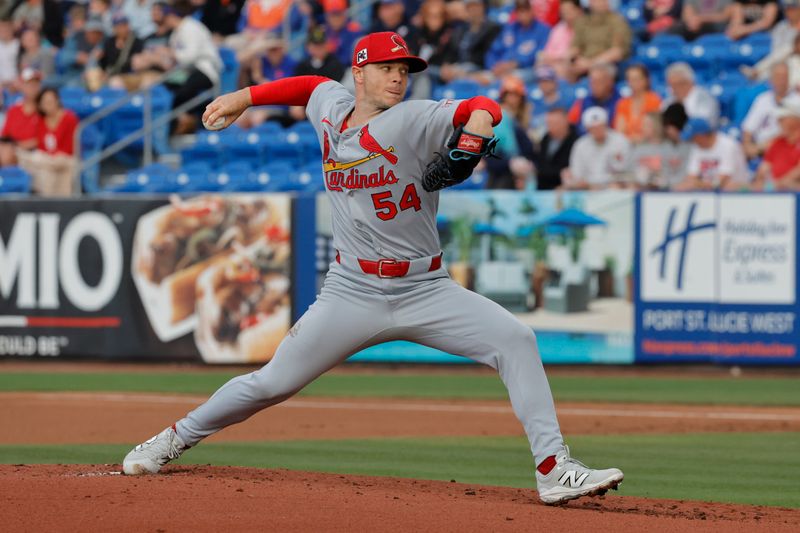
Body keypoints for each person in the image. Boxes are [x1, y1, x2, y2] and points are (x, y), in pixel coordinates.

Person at [122, 30, 625, 507]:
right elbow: (309, 86)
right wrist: (243, 97)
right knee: (271, 383)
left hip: (427, 288)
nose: (398, 79)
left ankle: (553, 469)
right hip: (352, 290)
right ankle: (172, 439)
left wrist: (473, 135)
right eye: (386, 68)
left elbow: (482, 107)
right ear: (358, 74)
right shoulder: (332, 108)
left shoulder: (412, 119)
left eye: (403, 70)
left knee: (516, 340)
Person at [162, 0, 223, 133]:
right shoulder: (175, 34)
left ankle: (186, 121)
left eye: (166, 17)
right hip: (188, 71)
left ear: (172, 16)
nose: (165, 21)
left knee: (183, 93)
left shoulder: (190, 26)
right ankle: (182, 121)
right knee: (166, 87)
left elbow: (190, 57)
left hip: (206, 69)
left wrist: (172, 54)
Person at [16, 87, 79, 196]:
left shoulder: (69, 118)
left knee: (51, 164)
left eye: (50, 101)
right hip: (46, 159)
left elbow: (70, 146)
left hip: (64, 158)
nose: (48, 105)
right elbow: (41, 144)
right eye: (44, 102)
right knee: (44, 170)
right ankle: (48, 202)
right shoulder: (40, 120)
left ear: (57, 101)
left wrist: (52, 157)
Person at [485, 75, 536, 189]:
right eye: (509, 95)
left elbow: (529, 149)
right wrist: (512, 163)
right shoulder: (500, 117)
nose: (513, 99)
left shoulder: (522, 118)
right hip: (501, 171)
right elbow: (495, 150)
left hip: (519, 171)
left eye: (516, 95)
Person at [563, 106, 632, 189]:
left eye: (600, 126)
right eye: (593, 128)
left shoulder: (620, 141)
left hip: (614, 187)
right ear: (587, 129)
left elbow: (623, 169)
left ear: (606, 125)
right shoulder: (580, 145)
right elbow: (577, 172)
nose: (597, 130)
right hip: (587, 188)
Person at [674, 117, 750, 190]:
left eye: (693, 137)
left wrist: (698, 184)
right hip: (709, 190)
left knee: (729, 186)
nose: (692, 141)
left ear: (701, 136)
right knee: (681, 186)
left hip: (736, 190)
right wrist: (694, 184)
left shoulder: (728, 145)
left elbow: (722, 180)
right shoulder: (697, 147)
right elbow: (691, 176)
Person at [741, 62, 798, 160]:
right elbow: (748, 129)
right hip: (760, 150)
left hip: (785, 150)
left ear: (789, 78)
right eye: (777, 76)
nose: (781, 80)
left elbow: (793, 133)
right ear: (771, 79)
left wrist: (761, 147)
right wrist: (747, 146)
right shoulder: (763, 99)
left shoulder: (797, 100)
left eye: (784, 76)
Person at [439, 0, 501, 84]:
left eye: (476, 6)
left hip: (479, 69)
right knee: (433, 72)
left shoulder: (492, 28)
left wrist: (465, 73)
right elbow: (451, 52)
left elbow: (489, 55)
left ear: (483, 7)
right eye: (470, 7)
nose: (473, 10)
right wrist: (446, 65)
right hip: (459, 66)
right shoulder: (460, 29)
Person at [487, 0, 551, 82]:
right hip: (501, 69)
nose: (522, 14)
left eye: (525, 10)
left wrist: (515, 64)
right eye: (519, 11)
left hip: (527, 70)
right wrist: (494, 65)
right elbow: (493, 50)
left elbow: (539, 55)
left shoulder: (543, 29)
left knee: (509, 79)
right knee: (478, 79)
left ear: (531, 10)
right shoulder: (510, 28)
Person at [570, 0, 632, 79]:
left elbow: (617, 52)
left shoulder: (617, 21)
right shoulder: (582, 21)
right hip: (583, 62)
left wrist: (590, 64)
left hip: (606, 63)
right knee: (563, 69)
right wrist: (573, 60)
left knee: (597, 73)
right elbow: (575, 46)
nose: (600, 3)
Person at [742, 0, 800, 81]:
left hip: (796, 62)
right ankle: (757, 74)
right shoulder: (781, 27)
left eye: (792, 9)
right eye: (786, 9)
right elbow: (775, 50)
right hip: (780, 62)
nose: (789, 12)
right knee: (783, 57)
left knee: (789, 50)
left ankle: (757, 70)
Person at [753, 100, 800, 190]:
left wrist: (778, 184)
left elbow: (797, 172)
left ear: (796, 119)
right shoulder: (778, 142)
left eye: (783, 118)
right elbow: (763, 169)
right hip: (777, 190)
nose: (779, 121)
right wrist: (763, 183)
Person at [0, 67, 41, 167]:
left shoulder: (43, 110)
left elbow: (44, 139)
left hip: (33, 152)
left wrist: (19, 146)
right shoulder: (14, 110)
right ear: (22, 86)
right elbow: (5, 136)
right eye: (29, 84)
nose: (32, 87)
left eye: (35, 84)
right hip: (12, 150)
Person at [533, 105, 579, 189]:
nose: (551, 126)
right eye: (549, 123)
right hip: (543, 188)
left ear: (566, 121)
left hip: (565, 188)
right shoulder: (545, 139)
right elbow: (540, 164)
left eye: (555, 123)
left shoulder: (577, 141)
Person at [614, 64, 662, 143]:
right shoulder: (622, 103)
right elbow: (619, 131)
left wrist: (638, 139)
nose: (632, 83)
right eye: (630, 79)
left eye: (636, 79)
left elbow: (654, 130)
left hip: (648, 145)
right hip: (627, 145)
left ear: (646, 80)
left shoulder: (654, 100)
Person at [567, 62, 620, 131]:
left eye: (598, 82)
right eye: (591, 82)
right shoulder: (582, 102)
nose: (593, 86)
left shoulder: (621, 103)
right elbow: (570, 126)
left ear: (610, 82)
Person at [538, 0, 582, 80]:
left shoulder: (586, 28)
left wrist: (558, 59)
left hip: (573, 68)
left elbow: (575, 52)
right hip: (554, 67)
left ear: (579, 10)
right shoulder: (558, 29)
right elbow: (546, 54)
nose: (567, 14)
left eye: (569, 10)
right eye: (564, 12)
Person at [323, 0, 363, 67]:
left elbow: (349, 59)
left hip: (349, 69)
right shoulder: (324, 31)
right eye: (332, 15)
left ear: (344, 14)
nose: (336, 19)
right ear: (327, 16)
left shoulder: (354, 30)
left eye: (338, 15)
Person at [0, 18, 18, 90]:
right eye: (1, 28)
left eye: (6, 28)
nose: (3, 31)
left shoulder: (20, 45)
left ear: (12, 28)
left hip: (16, 84)